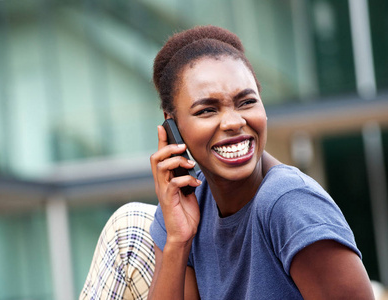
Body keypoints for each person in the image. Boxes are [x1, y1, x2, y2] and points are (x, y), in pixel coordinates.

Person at [80, 25, 374, 299]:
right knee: (129, 224)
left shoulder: (289, 203)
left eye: (246, 102)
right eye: (207, 110)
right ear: (173, 127)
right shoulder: (189, 207)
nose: (234, 122)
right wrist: (177, 241)